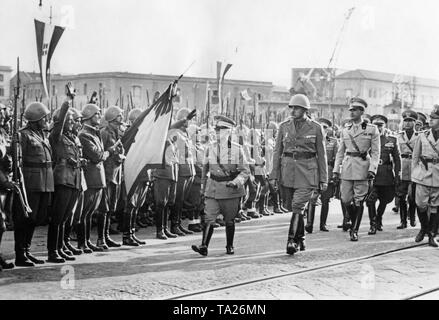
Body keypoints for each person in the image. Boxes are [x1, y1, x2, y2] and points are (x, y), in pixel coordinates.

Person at [270, 94, 328, 254]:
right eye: (292, 108)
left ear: (305, 110)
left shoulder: (316, 128)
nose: (293, 110)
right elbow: (277, 152)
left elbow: (322, 155)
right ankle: (301, 238)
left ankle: (291, 241)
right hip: (288, 171)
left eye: (297, 108)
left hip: (308, 172)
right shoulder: (284, 126)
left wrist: (324, 179)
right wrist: (273, 175)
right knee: (291, 207)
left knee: (297, 206)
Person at [192, 115, 250, 256]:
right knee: (209, 217)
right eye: (216, 130)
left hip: (230, 190)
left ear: (229, 131)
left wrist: (236, 182)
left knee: (229, 219)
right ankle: (204, 246)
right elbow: (205, 170)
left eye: (221, 130)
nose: (217, 133)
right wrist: (203, 188)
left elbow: (245, 171)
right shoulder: (209, 148)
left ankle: (229, 245)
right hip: (212, 188)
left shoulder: (237, 150)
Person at [333, 97, 380, 242]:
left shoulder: (371, 129)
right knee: (346, 199)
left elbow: (375, 152)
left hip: (362, 168)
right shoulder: (345, 129)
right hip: (347, 168)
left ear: (361, 111)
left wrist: (372, 169)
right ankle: (354, 223)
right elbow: (340, 151)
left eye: (355, 110)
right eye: (351, 110)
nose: (351, 112)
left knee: (359, 200)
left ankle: (355, 230)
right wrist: (336, 169)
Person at [47, 87, 84, 263]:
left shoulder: (72, 138)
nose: (71, 122)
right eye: (68, 120)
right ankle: (52, 251)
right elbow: (60, 122)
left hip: (74, 180)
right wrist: (67, 102)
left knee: (65, 218)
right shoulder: (56, 136)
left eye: (71, 120)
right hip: (62, 179)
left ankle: (60, 247)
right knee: (57, 217)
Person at [16, 101, 54, 266]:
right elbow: (19, 161)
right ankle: (20, 254)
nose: (46, 120)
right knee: (25, 218)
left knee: (35, 218)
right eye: (44, 118)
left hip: (44, 181)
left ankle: (27, 250)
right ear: (36, 118)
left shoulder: (43, 134)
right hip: (30, 182)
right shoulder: (23, 135)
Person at [77, 104, 109, 252]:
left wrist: (103, 155)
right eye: (97, 114)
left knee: (90, 213)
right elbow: (96, 156)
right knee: (85, 213)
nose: (99, 117)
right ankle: (82, 243)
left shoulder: (94, 133)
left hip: (97, 177)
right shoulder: (84, 134)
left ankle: (87, 241)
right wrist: (107, 154)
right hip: (90, 177)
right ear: (89, 116)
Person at [366, 115, 401, 234]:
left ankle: (379, 217)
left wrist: (398, 174)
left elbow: (397, 159)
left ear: (385, 125)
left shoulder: (392, 139)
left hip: (386, 174)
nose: (377, 127)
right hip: (372, 173)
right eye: (375, 125)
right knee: (371, 200)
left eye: (380, 125)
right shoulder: (367, 138)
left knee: (385, 199)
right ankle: (373, 223)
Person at [97, 106, 126, 249]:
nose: (121, 119)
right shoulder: (105, 133)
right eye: (119, 116)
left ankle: (106, 236)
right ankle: (101, 238)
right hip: (108, 174)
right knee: (104, 207)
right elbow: (102, 153)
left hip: (116, 173)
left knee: (111, 208)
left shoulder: (116, 133)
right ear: (113, 118)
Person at [412, 105, 439, 247]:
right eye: (431, 118)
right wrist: (414, 174)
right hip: (423, 174)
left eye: (434, 118)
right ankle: (424, 227)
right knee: (421, 205)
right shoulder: (422, 135)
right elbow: (415, 157)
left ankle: (431, 235)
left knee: (435, 206)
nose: (431, 121)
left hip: (438, 177)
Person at [304, 117, 338, 233]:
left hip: (327, 172)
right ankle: (309, 224)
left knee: (325, 199)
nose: (322, 130)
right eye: (321, 127)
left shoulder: (333, 142)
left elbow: (337, 159)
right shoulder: (310, 140)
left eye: (325, 127)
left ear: (328, 129)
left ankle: (323, 224)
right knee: (312, 198)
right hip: (313, 171)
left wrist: (334, 174)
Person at [396, 110, 420, 229]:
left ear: (415, 123)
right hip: (402, 167)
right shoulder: (398, 136)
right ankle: (403, 221)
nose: (408, 123)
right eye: (406, 121)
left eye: (410, 121)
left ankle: (412, 217)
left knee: (412, 196)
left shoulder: (419, 136)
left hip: (415, 168)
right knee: (401, 196)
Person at [0, 103, 14, 270]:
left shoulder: (3, 132)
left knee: (3, 222)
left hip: (2, 185)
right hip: (1, 181)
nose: (3, 116)